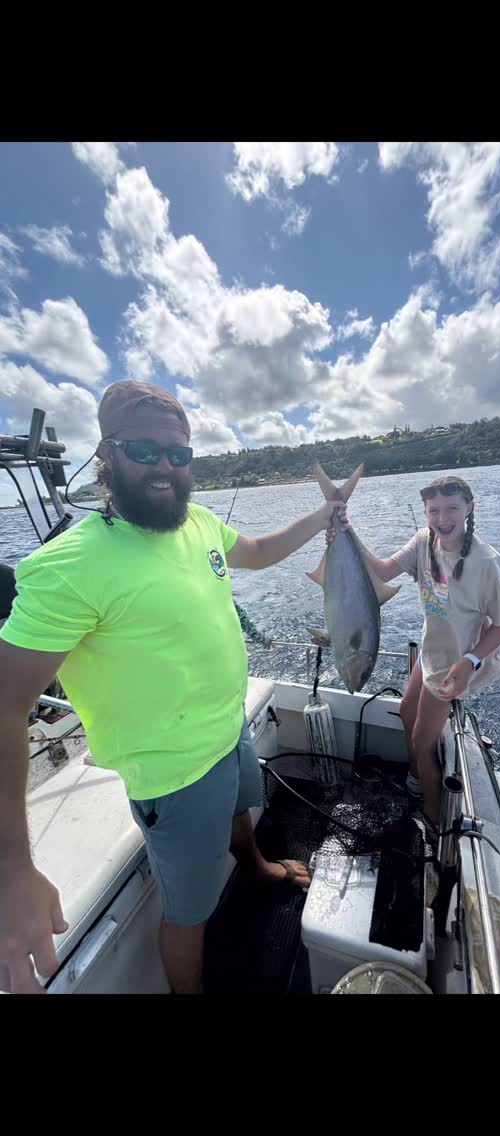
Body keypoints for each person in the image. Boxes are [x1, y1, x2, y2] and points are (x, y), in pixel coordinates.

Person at [0, 380, 348, 995]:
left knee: (243, 805)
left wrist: (325, 516)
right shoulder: (70, 565)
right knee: (189, 913)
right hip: (173, 775)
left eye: (178, 454)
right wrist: (12, 869)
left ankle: (259, 867)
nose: (165, 467)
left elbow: (262, 550)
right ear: (106, 455)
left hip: (227, 725)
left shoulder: (200, 523)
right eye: (143, 450)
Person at [343, 475, 500, 832]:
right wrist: (347, 532)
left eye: (452, 508)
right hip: (431, 653)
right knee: (407, 713)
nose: (442, 518)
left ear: (469, 507)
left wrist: (470, 661)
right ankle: (416, 777)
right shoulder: (424, 541)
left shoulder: (486, 561)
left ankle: (434, 817)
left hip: (458, 663)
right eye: (434, 510)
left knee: (421, 743)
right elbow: (382, 570)